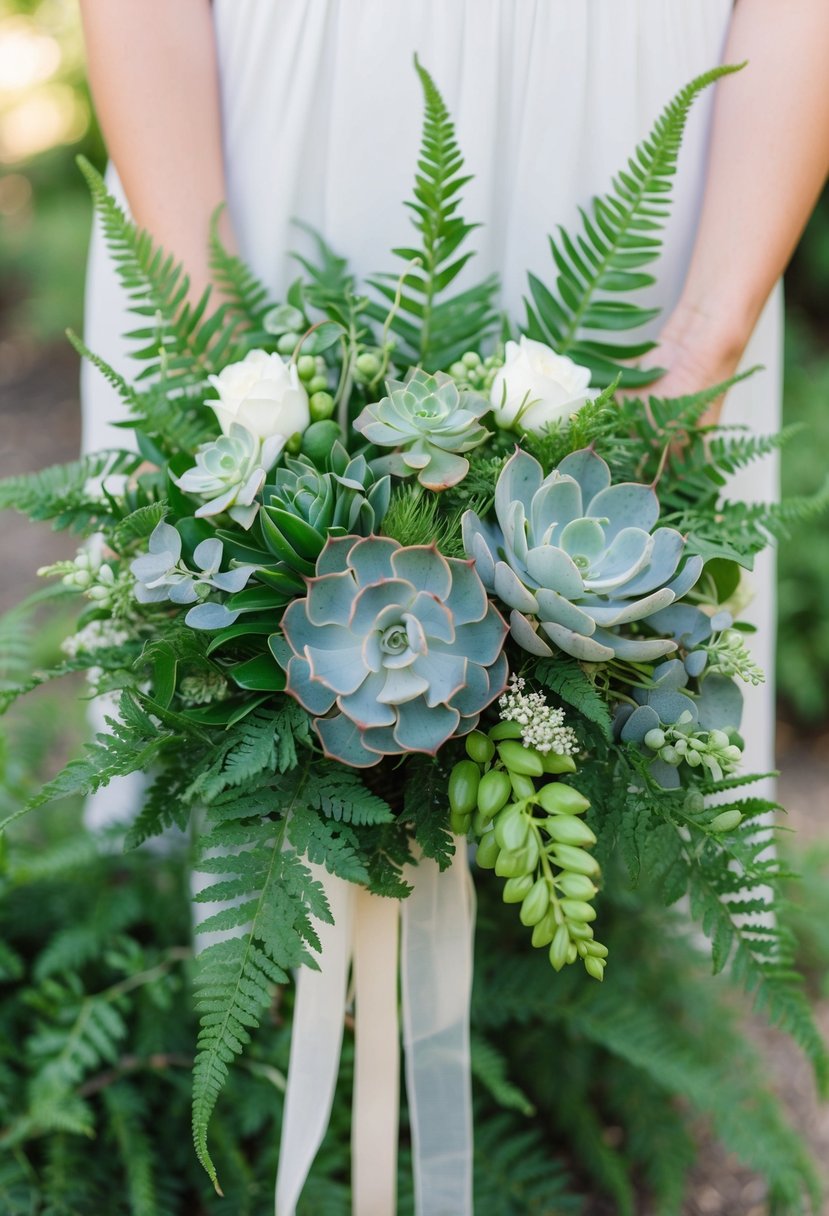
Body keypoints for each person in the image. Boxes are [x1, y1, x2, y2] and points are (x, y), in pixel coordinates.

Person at [78, 0, 829, 810]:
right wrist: (207, 315)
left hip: (652, 151)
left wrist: (700, 343)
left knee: (637, 786)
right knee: (230, 791)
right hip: (264, 128)